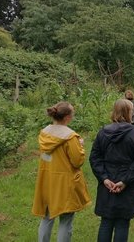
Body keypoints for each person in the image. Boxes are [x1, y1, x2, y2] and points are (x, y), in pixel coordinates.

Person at [32, 101, 91, 242]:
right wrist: (80, 147)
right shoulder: (71, 137)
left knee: (46, 218)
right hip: (65, 184)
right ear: (67, 118)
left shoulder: (44, 134)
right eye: (73, 114)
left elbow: (45, 157)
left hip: (47, 182)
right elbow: (77, 162)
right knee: (66, 221)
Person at [89, 99, 134, 242]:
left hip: (110, 183)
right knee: (121, 223)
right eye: (132, 110)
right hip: (123, 183)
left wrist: (105, 179)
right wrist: (122, 181)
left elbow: (94, 158)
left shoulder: (102, 133)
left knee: (106, 221)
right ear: (128, 113)